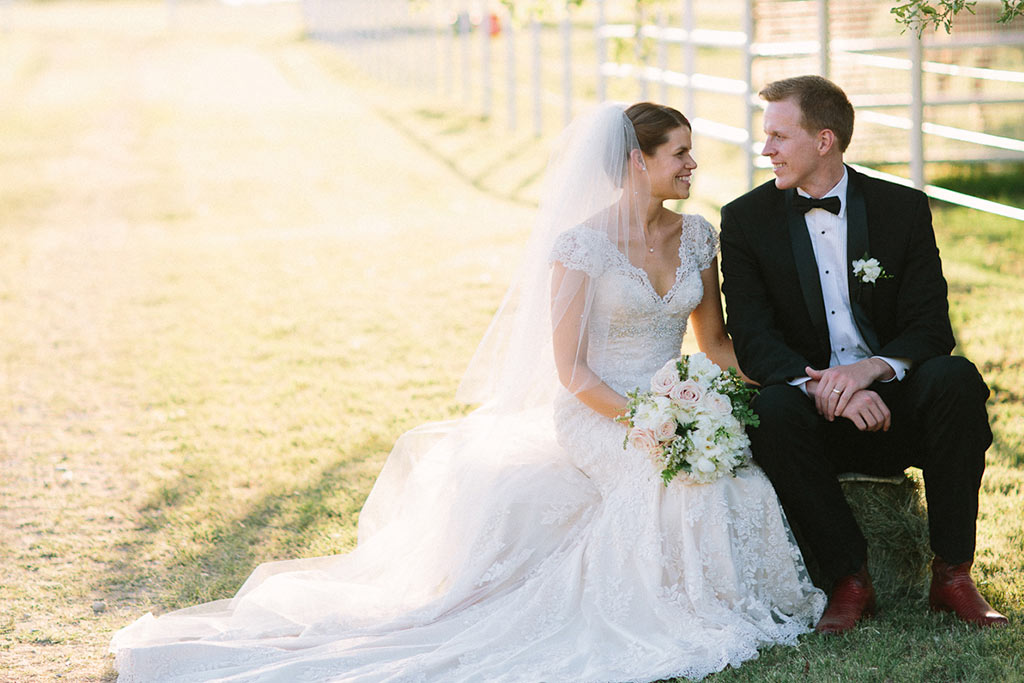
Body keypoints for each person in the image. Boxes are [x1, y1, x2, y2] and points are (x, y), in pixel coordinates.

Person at [110, 102, 824, 682]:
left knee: (731, 472)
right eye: (681, 154)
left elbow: (717, 344)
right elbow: (572, 371)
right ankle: (672, 611)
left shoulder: (697, 235)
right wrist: (648, 420)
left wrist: (785, 380)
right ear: (638, 161)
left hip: (674, 402)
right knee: (662, 480)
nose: (694, 165)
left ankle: (742, 600)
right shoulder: (579, 246)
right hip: (599, 409)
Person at [719, 75, 1008, 635]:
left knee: (956, 378)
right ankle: (848, 580)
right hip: (810, 416)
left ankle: (953, 573)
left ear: (824, 140)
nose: (766, 149)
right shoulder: (745, 220)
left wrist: (868, 371)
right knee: (771, 410)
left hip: (896, 406)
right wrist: (827, 389)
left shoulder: (902, 208)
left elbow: (930, 326)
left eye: (779, 136)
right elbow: (752, 339)